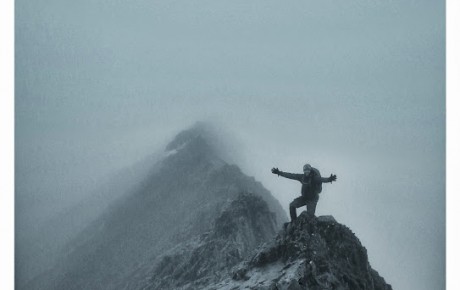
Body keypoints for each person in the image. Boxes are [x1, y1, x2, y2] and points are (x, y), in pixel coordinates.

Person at [271, 164, 337, 221]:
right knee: (292, 205)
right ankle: (294, 222)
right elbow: (290, 175)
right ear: (303, 171)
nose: (306, 171)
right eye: (305, 170)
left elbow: (322, 179)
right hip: (304, 198)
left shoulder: (315, 178)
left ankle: (312, 228)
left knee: (309, 217)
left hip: (312, 199)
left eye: (308, 170)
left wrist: (330, 179)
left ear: (310, 170)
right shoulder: (301, 177)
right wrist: (279, 172)